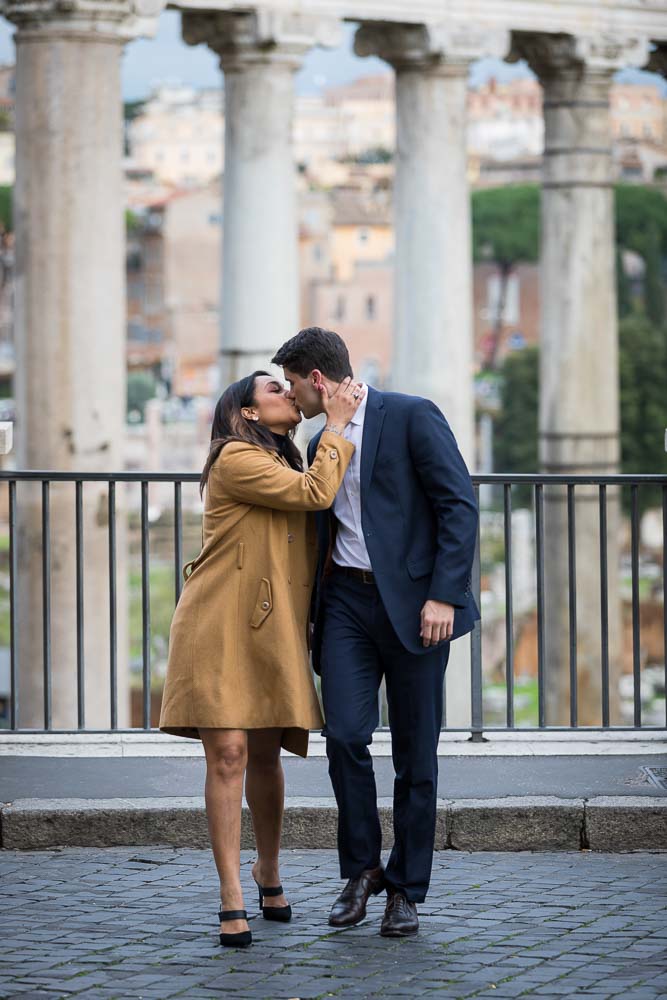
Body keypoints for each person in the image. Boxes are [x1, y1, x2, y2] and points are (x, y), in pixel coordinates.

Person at [272, 328, 479, 938]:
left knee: (416, 755)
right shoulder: (318, 438)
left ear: (317, 379)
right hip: (346, 608)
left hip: (418, 609)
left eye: (291, 383)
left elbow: (458, 505)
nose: (290, 394)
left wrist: (444, 593)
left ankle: (406, 890)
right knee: (344, 737)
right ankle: (362, 871)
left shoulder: (412, 416)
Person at [159, 370, 364, 948]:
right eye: (272, 389)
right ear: (247, 413)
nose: (286, 393)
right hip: (219, 623)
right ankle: (231, 894)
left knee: (268, 757)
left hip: (272, 629)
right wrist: (340, 424)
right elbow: (315, 495)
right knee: (227, 755)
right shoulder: (234, 460)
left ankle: (268, 869)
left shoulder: (288, 463)